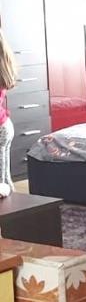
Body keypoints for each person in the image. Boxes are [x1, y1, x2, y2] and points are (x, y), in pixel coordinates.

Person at [0, 28, 18, 197]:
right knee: (4, 180)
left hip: (1, 128)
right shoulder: (3, 62)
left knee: (1, 184)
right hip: (5, 126)